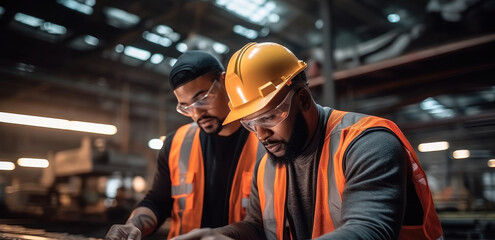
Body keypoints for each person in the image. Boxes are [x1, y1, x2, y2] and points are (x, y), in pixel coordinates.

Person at [174, 42, 444, 240]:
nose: (261, 135)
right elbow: (258, 226)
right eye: (250, 123)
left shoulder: (367, 143)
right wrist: (221, 236)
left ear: (303, 99)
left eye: (268, 118)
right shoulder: (267, 166)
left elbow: (370, 231)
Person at [105, 51, 265, 240]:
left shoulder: (266, 140)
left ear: (225, 81)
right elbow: (157, 202)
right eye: (186, 107)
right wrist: (133, 226)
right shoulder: (176, 144)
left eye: (203, 98)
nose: (197, 114)